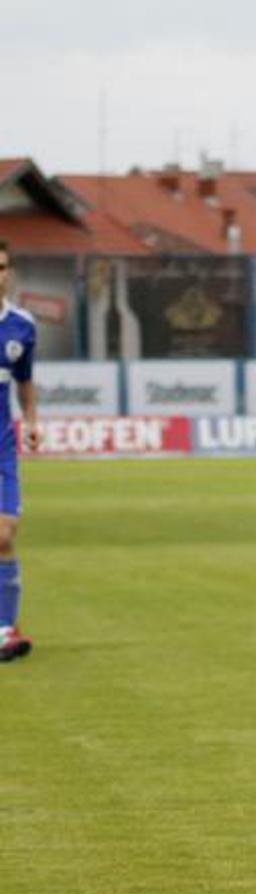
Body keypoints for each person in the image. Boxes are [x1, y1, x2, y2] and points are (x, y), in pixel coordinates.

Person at [0, 242, 40, 661]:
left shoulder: (22, 326)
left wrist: (31, 420)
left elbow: (25, 381)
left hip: (1, 448)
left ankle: (5, 629)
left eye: (1, 267)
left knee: (4, 535)